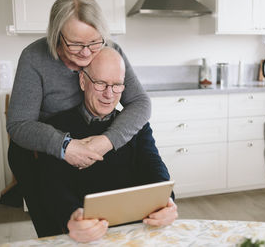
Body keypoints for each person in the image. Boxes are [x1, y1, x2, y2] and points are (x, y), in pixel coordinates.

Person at [6, 0, 151, 237]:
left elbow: (140, 103)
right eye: (75, 44)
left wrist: (107, 141)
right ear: (56, 35)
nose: (86, 53)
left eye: (94, 42)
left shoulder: (111, 48)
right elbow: (19, 124)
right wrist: (64, 146)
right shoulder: (34, 57)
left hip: (91, 144)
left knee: (95, 224)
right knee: (55, 229)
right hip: (40, 154)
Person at [38, 47, 177, 242]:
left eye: (117, 85)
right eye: (101, 84)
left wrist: (167, 200)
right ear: (83, 81)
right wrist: (72, 215)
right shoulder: (56, 126)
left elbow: (153, 166)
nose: (109, 95)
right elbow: (53, 185)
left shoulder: (134, 123)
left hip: (138, 228)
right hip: (87, 233)